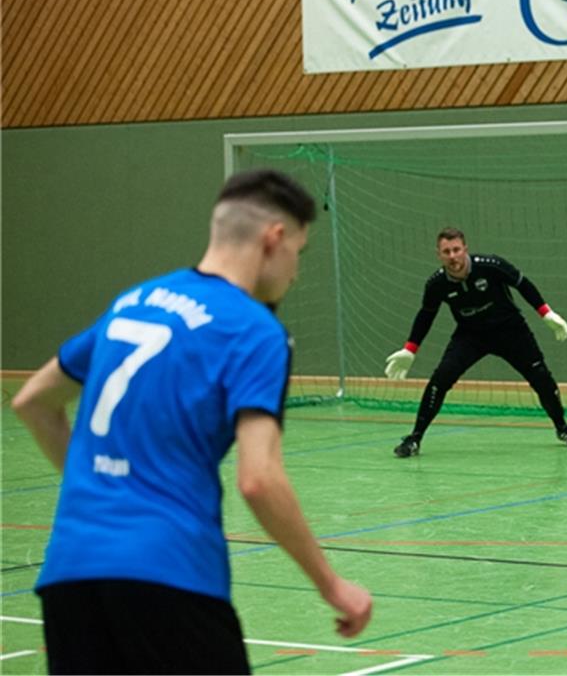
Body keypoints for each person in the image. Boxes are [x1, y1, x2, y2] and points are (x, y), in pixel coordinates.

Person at [10, 169, 373, 674]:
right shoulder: (254, 331)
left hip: (70, 577)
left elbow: (32, 401)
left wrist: (96, 481)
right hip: (170, 577)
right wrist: (333, 585)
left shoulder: (133, 302)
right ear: (274, 239)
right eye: (299, 253)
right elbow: (259, 479)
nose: (295, 273)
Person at [384, 227, 567, 457]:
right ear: (439, 255)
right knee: (440, 380)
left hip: (511, 332)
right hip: (470, 336)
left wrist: (546, 313)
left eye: (456, 249)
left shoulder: (490, 265)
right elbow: (426, 315)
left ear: (465, 249)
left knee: (541, 378)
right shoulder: (437, 284)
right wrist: (410, 349)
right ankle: (415, 438)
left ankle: (563, 427)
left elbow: (523, 284)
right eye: (446, 251)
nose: (452, 256)